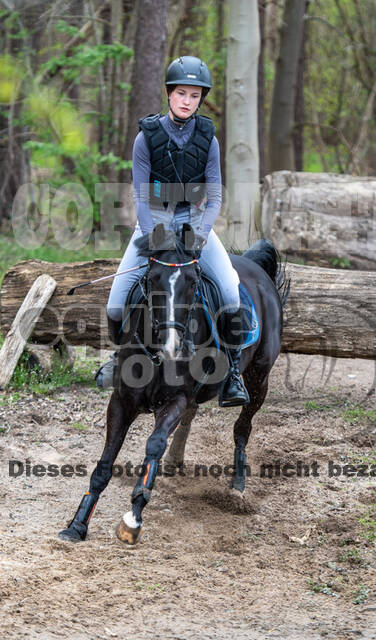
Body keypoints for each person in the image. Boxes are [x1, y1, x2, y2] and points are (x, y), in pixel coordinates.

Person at [95, 55, 249, 407]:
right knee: (116, 301)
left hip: (195, 224)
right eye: (181, 93)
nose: (187, 101)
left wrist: (201, 233)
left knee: (229, 290)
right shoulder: (145, 139)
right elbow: (140, 195)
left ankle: (234, 374)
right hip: (154, 222)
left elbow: (214, 196)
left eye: (194, 96)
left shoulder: (208, 139)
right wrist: (157, 240)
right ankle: (118, 357)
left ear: (200, 100)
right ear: (168, 94)